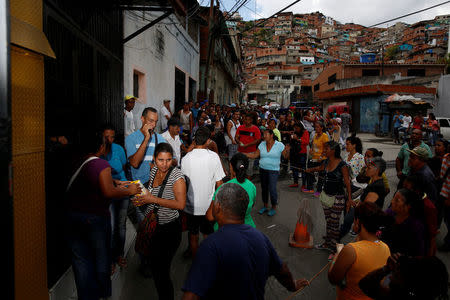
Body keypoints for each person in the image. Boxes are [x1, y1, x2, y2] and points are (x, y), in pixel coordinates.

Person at [181, 183, 309, 300]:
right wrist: (293, 285)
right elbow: (282, 269)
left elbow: (191, 296)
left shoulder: (210, 246)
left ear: (218, 207)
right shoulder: (261, 238)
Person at [66, 131, 141, 300]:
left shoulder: (78, 162)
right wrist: (129, 189)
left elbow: (91, 180)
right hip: (94, 220)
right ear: (101, 147)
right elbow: (108, 192)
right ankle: (103, 295)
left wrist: (115, 181)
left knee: (81, 261)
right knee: (101, 258)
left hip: (73, 219)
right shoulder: (101, 165)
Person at [132, 143, 186, 300]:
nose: (164, 164)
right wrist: (142, 198)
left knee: (162, 272)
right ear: (154, 160)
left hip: (169, 230)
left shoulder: (177, 177)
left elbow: (180, 205)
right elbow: (151, 193)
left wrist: (151, 198)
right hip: (154, 227)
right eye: (161, 160)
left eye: (168, 160)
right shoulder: (154, 169)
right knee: (156, 268)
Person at [328, 202, 391, 300]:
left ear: (357, 222)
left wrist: (336, 257)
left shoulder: (351, 250)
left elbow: (333, 278)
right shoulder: (386, 248)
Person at [181, 126, 226, 258]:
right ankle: (209, 262)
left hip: (191, 206)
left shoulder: (186, 159)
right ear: (208, 141)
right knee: (208, 236)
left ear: (194, 140)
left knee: (193, 236)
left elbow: (183, 184)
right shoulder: (213, 157)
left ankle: (197, 264)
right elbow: (219, 184)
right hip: (209, 207)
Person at [306, 141, 352, 253]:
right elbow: (320, 168)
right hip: (325, 196)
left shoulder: (342, 165)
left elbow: (347, 183)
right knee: (329, 221)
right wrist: (309, 170)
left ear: (333, 150)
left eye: (326, 149)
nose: (324, 151)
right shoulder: (326, 162)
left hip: (338, 198)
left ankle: (334, 248)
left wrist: (349, 200)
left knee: (334, 223)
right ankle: (327, 243)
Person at [126, 107, 166, 222]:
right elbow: (134, 163)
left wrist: (160, 165)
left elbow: (172, 161)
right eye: (150, 121)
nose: (153, 125)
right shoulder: (131, 139)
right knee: (144, 224)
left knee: (157, 223)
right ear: (142, 119)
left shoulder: (160, 139)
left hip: (156, 186)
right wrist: (146, 139)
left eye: (156, 122)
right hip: (140, 188)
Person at [359, 254, 449, 300]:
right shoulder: (401, 293)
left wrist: (385, 270)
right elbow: (365, 285)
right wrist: (386, 268)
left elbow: (366, 286)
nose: (390, 278)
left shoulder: (397, 295)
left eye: (397, 276)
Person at [101, 125, 129, 269]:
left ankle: (120, 255)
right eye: (106, 137)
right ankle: (111, 259)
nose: (109, 140)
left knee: (121, 225)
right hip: (109, 192)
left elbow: (123, 167)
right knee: (111, 227)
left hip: (123, 191)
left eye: (112, 136)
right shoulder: (99, 152)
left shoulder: (118, 149)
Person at [206, 153, 257, 230]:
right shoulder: (252, 186)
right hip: (248, 227)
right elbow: (251, 205)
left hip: (225, 230)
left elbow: (210, 216)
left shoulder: (223, 188)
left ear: (231, 167)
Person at [246, 129, 289, 216]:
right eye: (263, 134)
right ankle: (265, 206)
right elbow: (255, 155)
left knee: (272, 189)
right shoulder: (262, 144)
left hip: (274, 170)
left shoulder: (279, 145)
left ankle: (273, 207)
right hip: (262, 170)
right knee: (264, 189)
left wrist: (287, 150)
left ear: (272, 135)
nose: (264, 136)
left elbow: (286, 157)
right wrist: (244, 154)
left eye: (266, 134)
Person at [382, 189, 426, 256]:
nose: (392, 201)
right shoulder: (390, 213)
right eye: (393, 198)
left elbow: (418, 252)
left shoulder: (415, 226)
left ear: (408, 206)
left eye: (397, 200)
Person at [403, 175, 438, 256]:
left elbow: (432, 233)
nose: (403, 190)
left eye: (407, 188)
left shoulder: (428, 207)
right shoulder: (407, 199)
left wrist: (430, 252)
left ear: (417, 191)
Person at [304, 122, 330, 195]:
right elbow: (313, 145)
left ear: (322, 128)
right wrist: (311, 150)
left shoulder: (324, 136)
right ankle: (310, 188)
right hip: (314, 157)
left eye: (318, 127)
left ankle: (319, 190)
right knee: (309, 170)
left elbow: (326, 148)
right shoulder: (315, 135)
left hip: (322, 158)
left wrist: (321, 157)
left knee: (321, 174)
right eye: (315, 127)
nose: (316, 128)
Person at [235, 112, 261, 177]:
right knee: (239, 168)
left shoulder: (255, 129)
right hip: (240, 151)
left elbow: (258, 140)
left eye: (248, 120)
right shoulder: (240, 127)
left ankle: (248, 185)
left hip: (251, 152)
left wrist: (247, 145)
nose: (247, 121)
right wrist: (238, 141)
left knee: (249, 169)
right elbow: (236, 137)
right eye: (245, 119)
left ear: (251, 120)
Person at [289, 122, 309, 188]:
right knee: (294, 168)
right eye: (295, 128)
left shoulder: (305, 132)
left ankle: (303, 184)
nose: (296, 129)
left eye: (297, 128)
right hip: (294, 153)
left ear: (300, 127)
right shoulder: (295, 132)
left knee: (303, 168)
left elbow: (306, 142)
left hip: (302, 153)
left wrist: (298, 139)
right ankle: (295, 182)